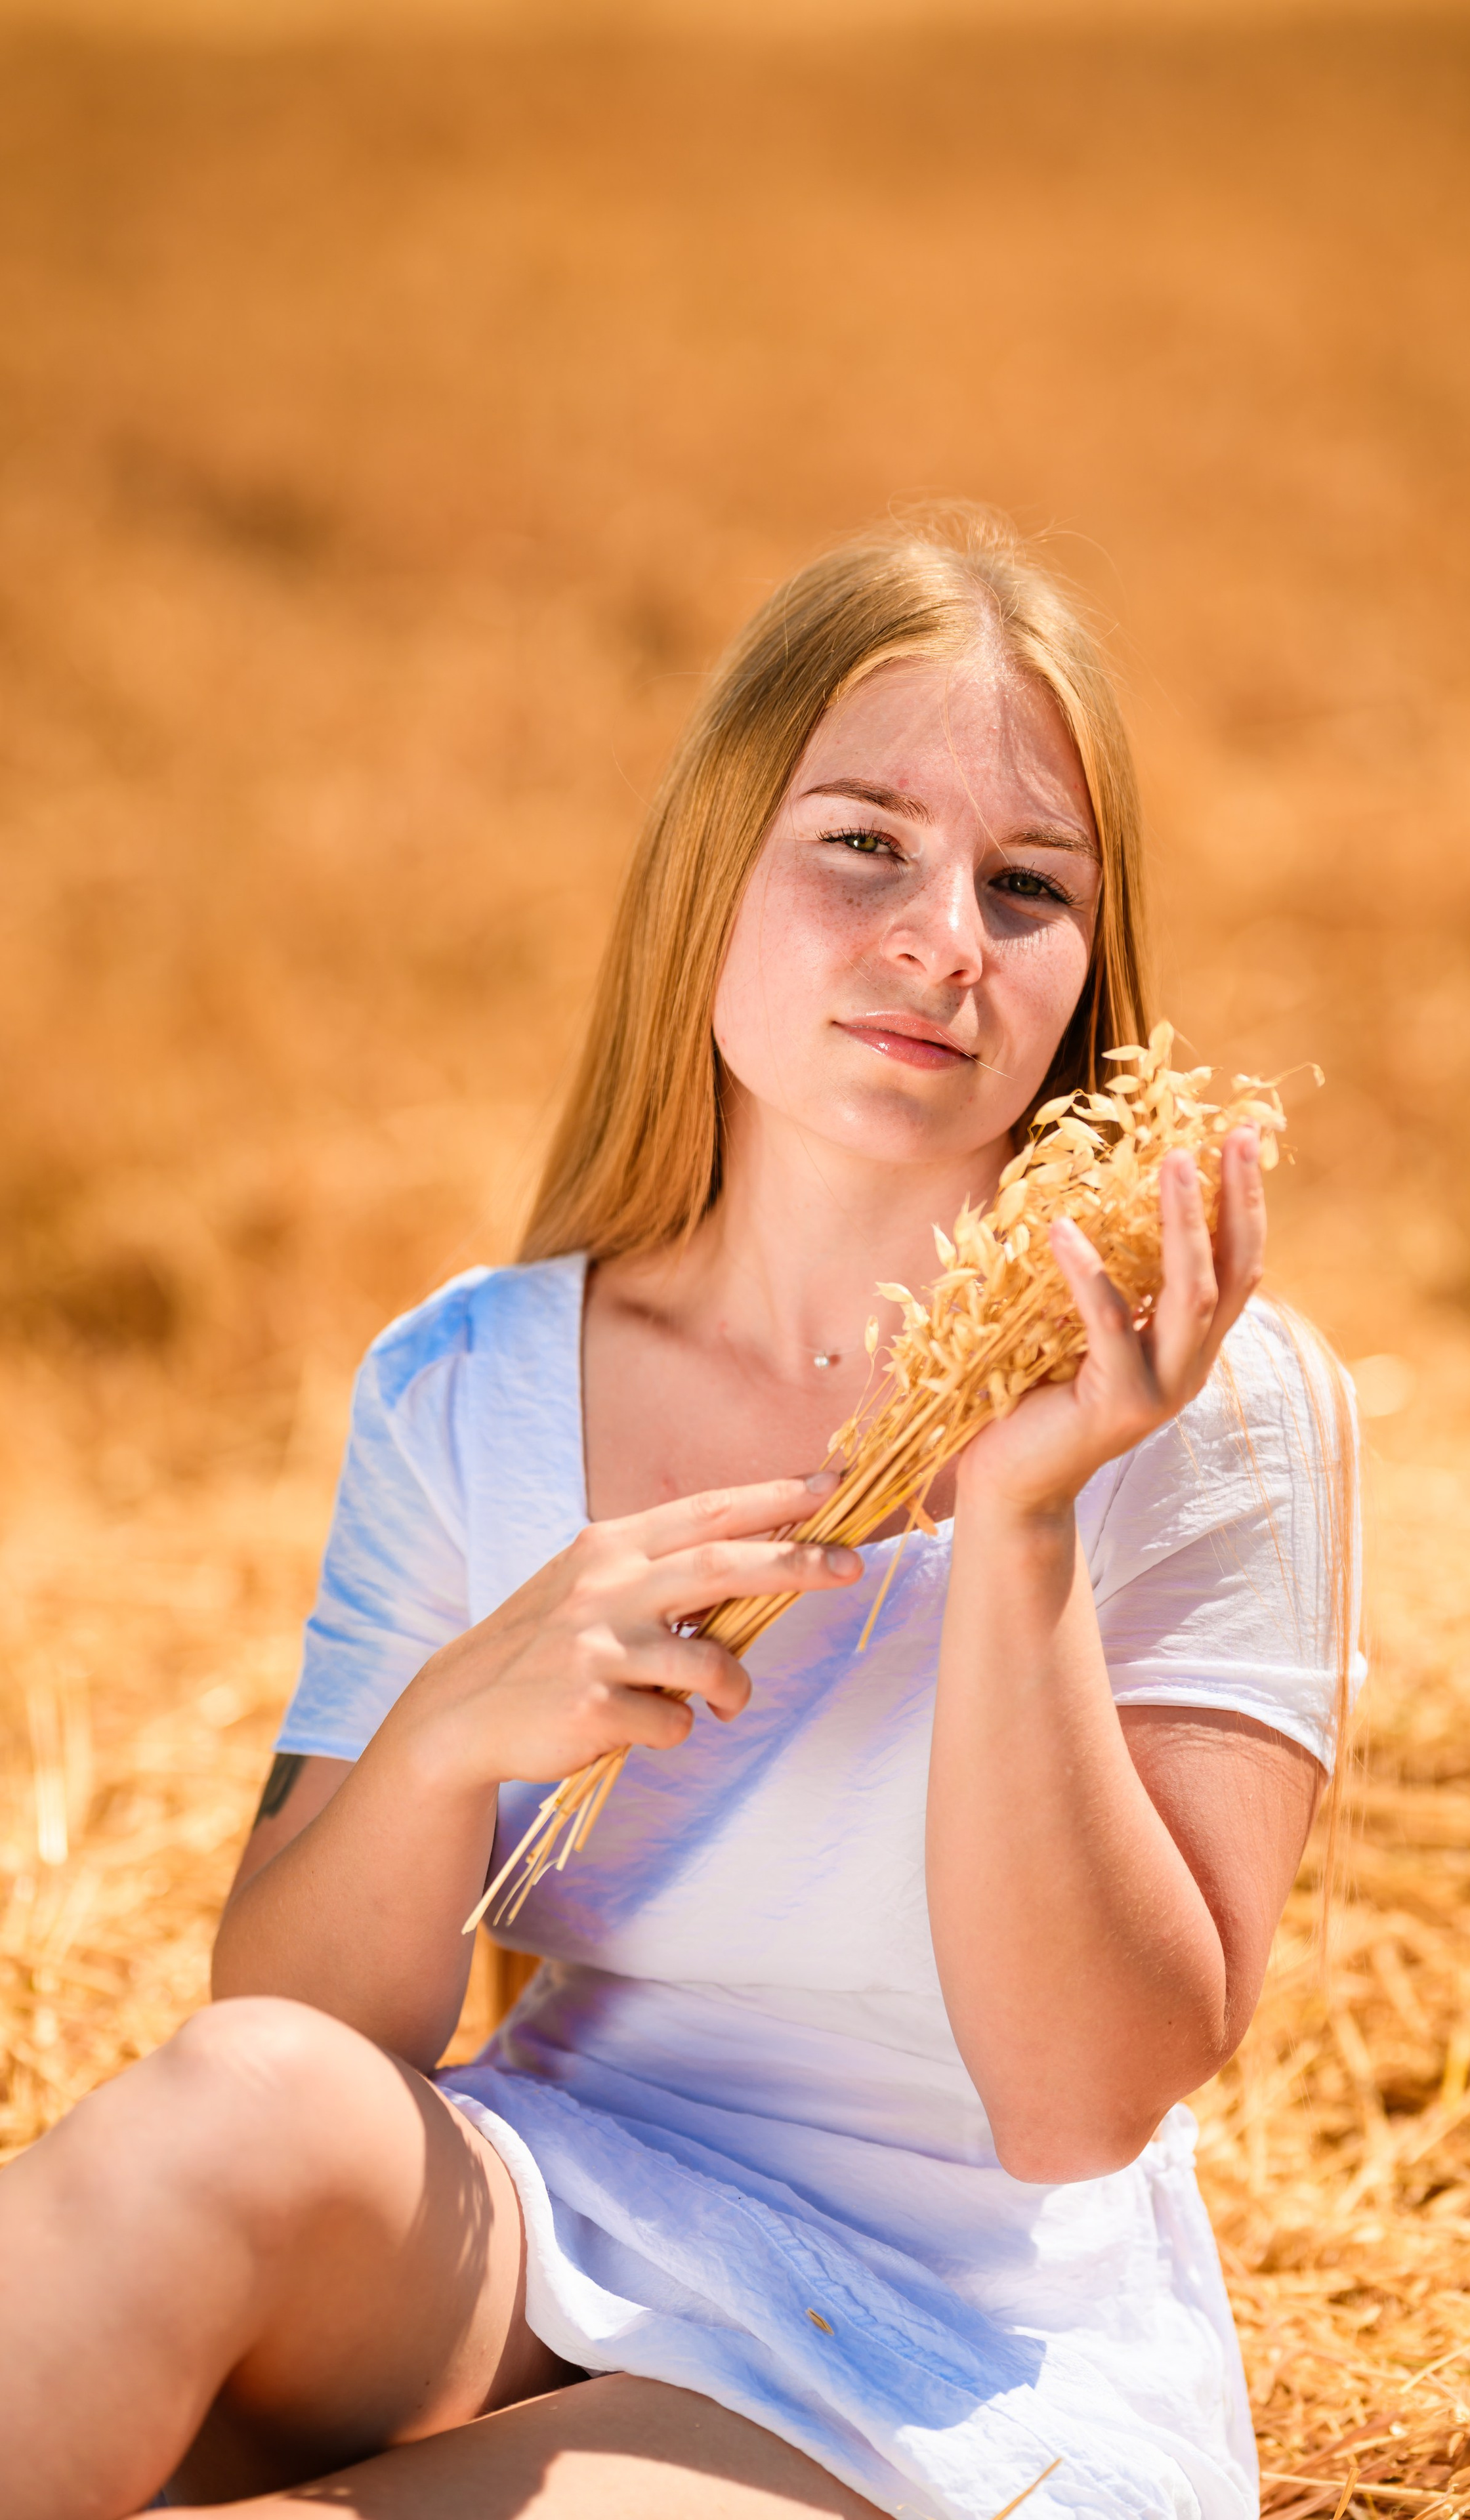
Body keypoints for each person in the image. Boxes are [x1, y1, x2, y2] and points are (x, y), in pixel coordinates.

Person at [1, 514, 1358, 2520]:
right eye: (865, 843)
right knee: (224, 2112)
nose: (947, 938)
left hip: (958, 2351)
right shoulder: (467, 1377)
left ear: (1086, 975)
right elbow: (312, 2029)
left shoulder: (1215, 1406)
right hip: (558, 2198)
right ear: (712, 863)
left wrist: (1020, 1539)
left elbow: (1080, 2105)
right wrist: (458, 1725)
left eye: (1028, 886)